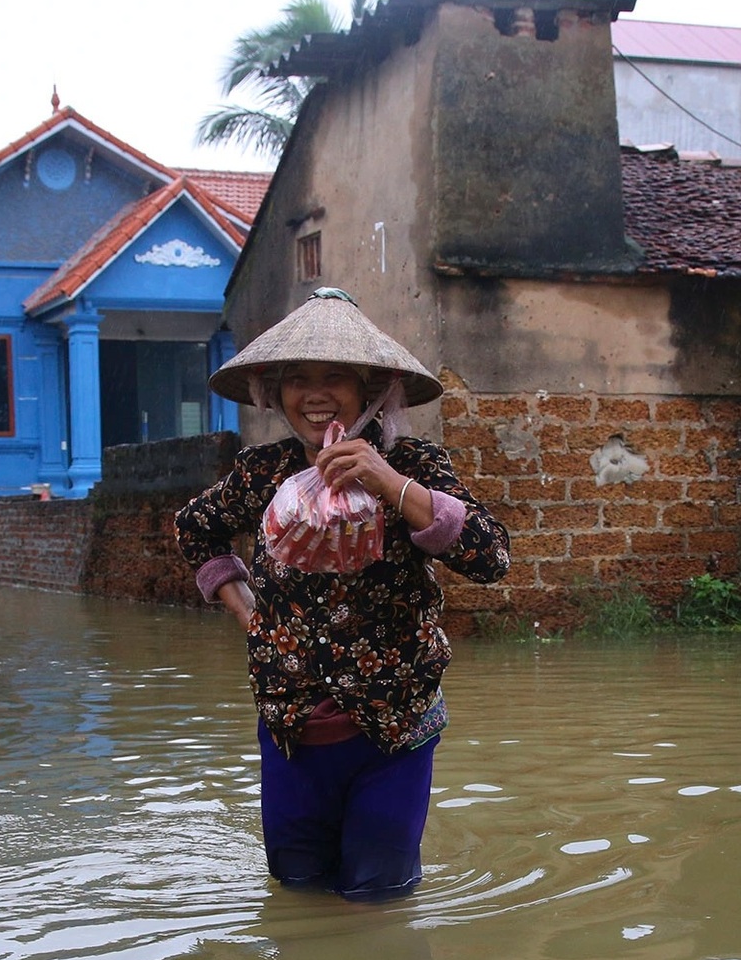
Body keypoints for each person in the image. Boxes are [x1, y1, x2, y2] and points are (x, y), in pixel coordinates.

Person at [176, 289, 511, 901]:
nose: (316, 394)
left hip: (395, 726)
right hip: (290, 724)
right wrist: (245, 613)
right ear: (275, 393)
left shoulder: (413, 463)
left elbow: (491, 556)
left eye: (336, 378)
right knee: (297, 888)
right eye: (297, 379)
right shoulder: (263, 473)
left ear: (371, 390)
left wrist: (388, 483)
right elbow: (194, 528)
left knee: (379, 895)